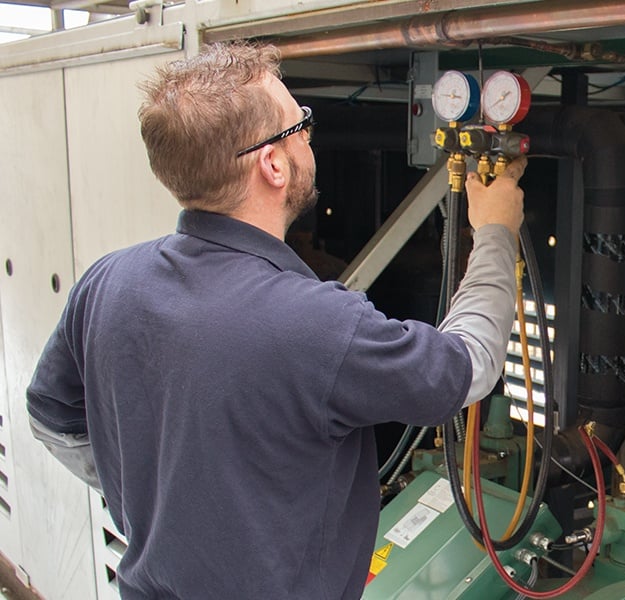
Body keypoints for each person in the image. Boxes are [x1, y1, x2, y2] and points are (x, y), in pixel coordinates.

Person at [26, 42, 526, 599]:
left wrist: (159, 497)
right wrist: (495, 233)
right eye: (300, 125)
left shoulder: (107, 282)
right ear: (273, 164)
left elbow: (50, 414)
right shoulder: (317, 324)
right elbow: (471, 363)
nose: (308, 137)